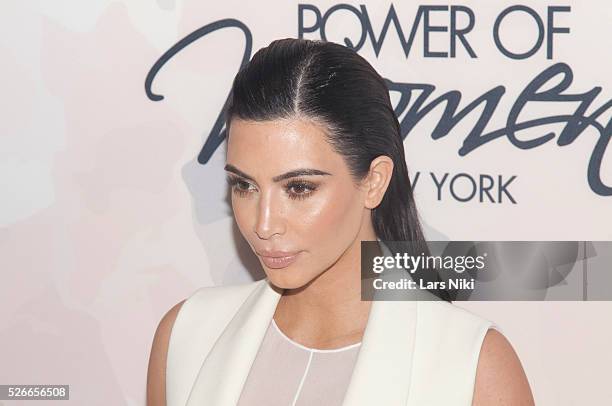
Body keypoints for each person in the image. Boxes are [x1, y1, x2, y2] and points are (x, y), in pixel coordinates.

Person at [146, 38, 534, 406]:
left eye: (298, 188)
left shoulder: (471, 365)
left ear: (374, 182)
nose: (263, 224)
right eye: (244, 185)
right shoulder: (187, 334)